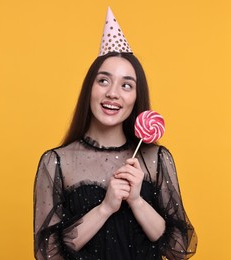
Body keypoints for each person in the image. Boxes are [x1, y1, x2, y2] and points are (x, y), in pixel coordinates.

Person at [33, 7, 197, 260]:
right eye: (103, 80)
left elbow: (178, 249)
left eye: (126, 85)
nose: (113, 93)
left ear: (136, 97)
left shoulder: (156, 159)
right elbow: (49, 254)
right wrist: (105, 208)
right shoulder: (57, 162)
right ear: (90, 89)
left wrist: (137, 201)